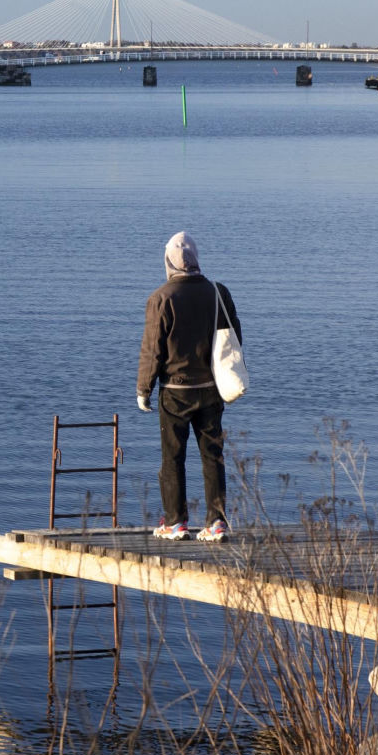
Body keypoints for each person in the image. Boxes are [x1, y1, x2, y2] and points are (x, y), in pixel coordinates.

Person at [136, 231, 241, 542]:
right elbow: (233, 339)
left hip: (175, 391)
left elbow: (152, 350)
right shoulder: (218, 292)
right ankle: (217, 522)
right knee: (213, 455)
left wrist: (144, 389)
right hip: (211, 389)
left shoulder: (161, 299)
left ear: (168, 262)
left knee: (173, 458)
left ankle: (176, 521)